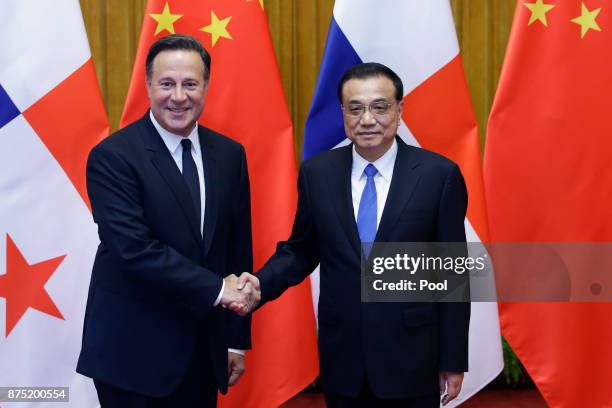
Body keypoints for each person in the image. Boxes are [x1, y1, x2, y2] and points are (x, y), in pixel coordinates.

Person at [239, 62, 470, 407]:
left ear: (399, 109)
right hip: (343, 356)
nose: (367, 119)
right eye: (355, 108)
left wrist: (452, 359)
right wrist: (259, 284)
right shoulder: (318, 173)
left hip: (412, 356)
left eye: (380, 107)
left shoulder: (439, 176)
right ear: (343, 112)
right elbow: (302, 250)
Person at [76, 34, 260, 407]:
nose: (179, 96)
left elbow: (236, 248)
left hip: (203, 354)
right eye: (167, 83)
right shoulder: (113, 157)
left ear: (206, 86)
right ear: (148, 86)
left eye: (190, 83)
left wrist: (235, 338)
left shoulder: (229, 155)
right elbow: (133, 249)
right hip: (132, 357)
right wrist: (219, 290)